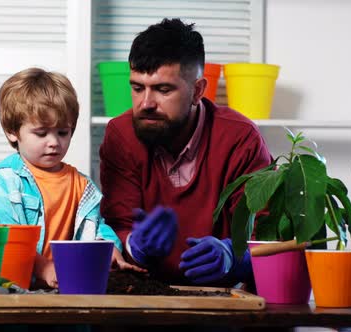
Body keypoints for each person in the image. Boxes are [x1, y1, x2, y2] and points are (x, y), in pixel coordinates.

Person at [99, 18, 273, 288]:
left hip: (222, 304)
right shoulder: (120, 135)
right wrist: (134, 244)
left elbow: (267, 236)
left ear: (198, 91)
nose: (145, 103)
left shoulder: (241, 138)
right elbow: (115, 227)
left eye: (163, 89)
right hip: (142, 299)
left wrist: (234, 256)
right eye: (137, 87)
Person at [0, 67, 144, 289]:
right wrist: (44, 267)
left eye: (63, 132)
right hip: (13, 294)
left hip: (68, 289)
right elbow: (2, 238)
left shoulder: (82, 185)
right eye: (41, 133)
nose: (54, 142)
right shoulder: (3, 182)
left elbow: (96, 228)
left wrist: (109, 251)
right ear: (12, 132)